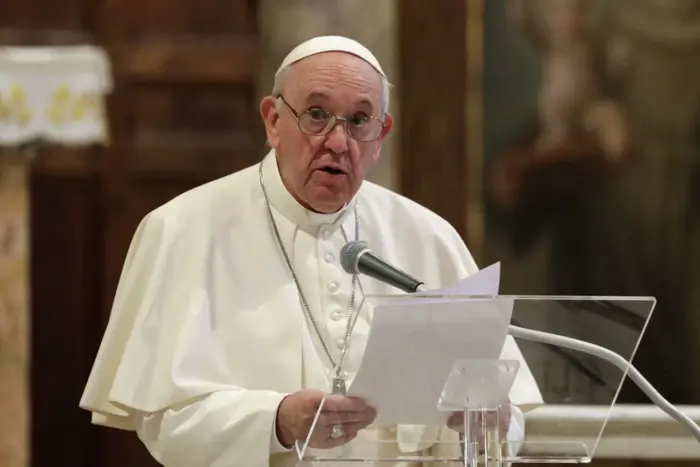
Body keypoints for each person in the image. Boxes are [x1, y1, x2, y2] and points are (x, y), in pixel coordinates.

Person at [79, 35, 543, 467]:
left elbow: (507, 421)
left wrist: (492, 422)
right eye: (317, 115)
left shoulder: (428, 237)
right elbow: (163, 420)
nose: (338, 142)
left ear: (381, 136)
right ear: (273, 121)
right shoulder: (183, 229)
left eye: (360, 120)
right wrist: (277, 421)